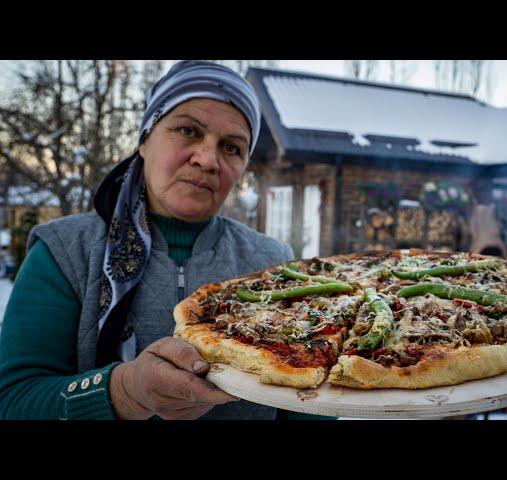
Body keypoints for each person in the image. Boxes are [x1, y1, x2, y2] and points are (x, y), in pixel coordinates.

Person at [0, 61, 300, 420]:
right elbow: (13, 400)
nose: (207, 159)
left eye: (232, 148)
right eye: (188, 130)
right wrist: (124, 392)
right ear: (144, 139)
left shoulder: (274, 264)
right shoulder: (65, 251)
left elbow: (309, 400)